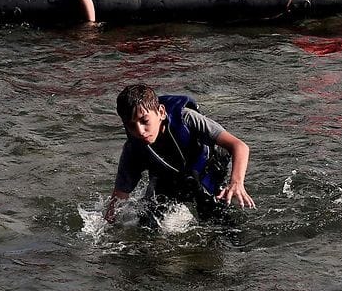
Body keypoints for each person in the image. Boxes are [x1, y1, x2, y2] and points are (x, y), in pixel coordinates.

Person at [104, 84, 254, 225]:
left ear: (161, 112)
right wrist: (106, 229)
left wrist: (236, 182)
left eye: (145, 121)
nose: (140, 131)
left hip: (204, 168)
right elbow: (118, 200)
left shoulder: (187, 118)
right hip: (170, 178)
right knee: (148, 222)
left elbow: (239, 146)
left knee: (214, 218)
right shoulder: (132, 150)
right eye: (131, 125)